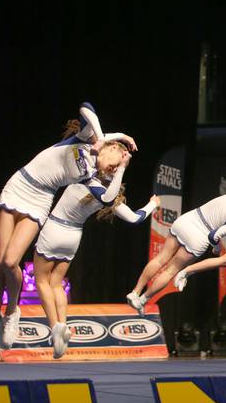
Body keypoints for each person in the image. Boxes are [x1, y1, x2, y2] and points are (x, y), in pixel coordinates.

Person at [0, 102, 136, 348]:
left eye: (117, 166)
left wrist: (120, 168)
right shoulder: (84, 140)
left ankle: (12, 312)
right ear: (110, 147)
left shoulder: (91, 175)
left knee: (9, 261)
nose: (114, 167)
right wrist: (112, 136)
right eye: (116, 159)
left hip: (40, 200)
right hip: (19, 185)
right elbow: (86, 107)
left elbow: (109, 198)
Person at [33, 149, 158, 358]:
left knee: (41, 281)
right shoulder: (110, 194)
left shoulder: (88, 177)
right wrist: (153, 203)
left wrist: (120, 168)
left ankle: (55, 326)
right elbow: (135, 219)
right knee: (56, 282)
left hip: (55, 228)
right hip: (73, 236)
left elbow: (81, 149)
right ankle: (63, 324)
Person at [126, 191, 226, 314]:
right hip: (198, 237)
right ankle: (142, 300)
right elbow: (213, 235)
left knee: (161, 259)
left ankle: (135, 292)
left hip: (187, 220)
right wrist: (216, 248)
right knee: (170, 271)